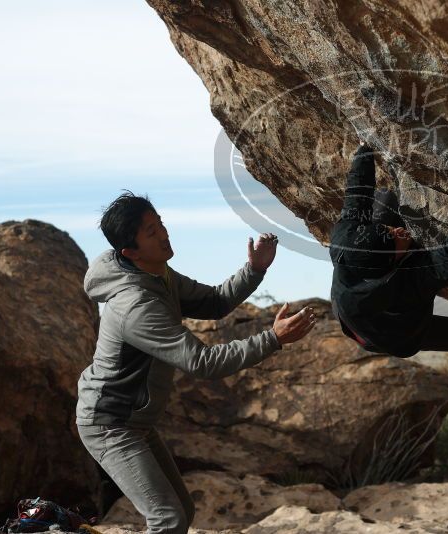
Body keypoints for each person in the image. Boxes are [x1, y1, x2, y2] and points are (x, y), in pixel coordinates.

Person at [75, 192, 316, 534]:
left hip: (134, 420)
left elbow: (214, 302)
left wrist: (255, 269)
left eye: (159, 223)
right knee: (168, 519)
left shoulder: (158, 274)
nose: (163, 234)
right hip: (110, 424)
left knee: (182, 512)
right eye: (150, 231)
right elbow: (202, 362)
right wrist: (272, 339)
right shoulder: (135, 305)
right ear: (130, 251)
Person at [329, 142, 448, 402]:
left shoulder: (346, 237)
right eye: (395, 239)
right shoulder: (404, 285)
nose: (399, 232)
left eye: (389, 230)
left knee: (384, 201)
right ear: (392, 263)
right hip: (400, 335)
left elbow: (357, 196)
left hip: (351, 313)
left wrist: (365, 150)